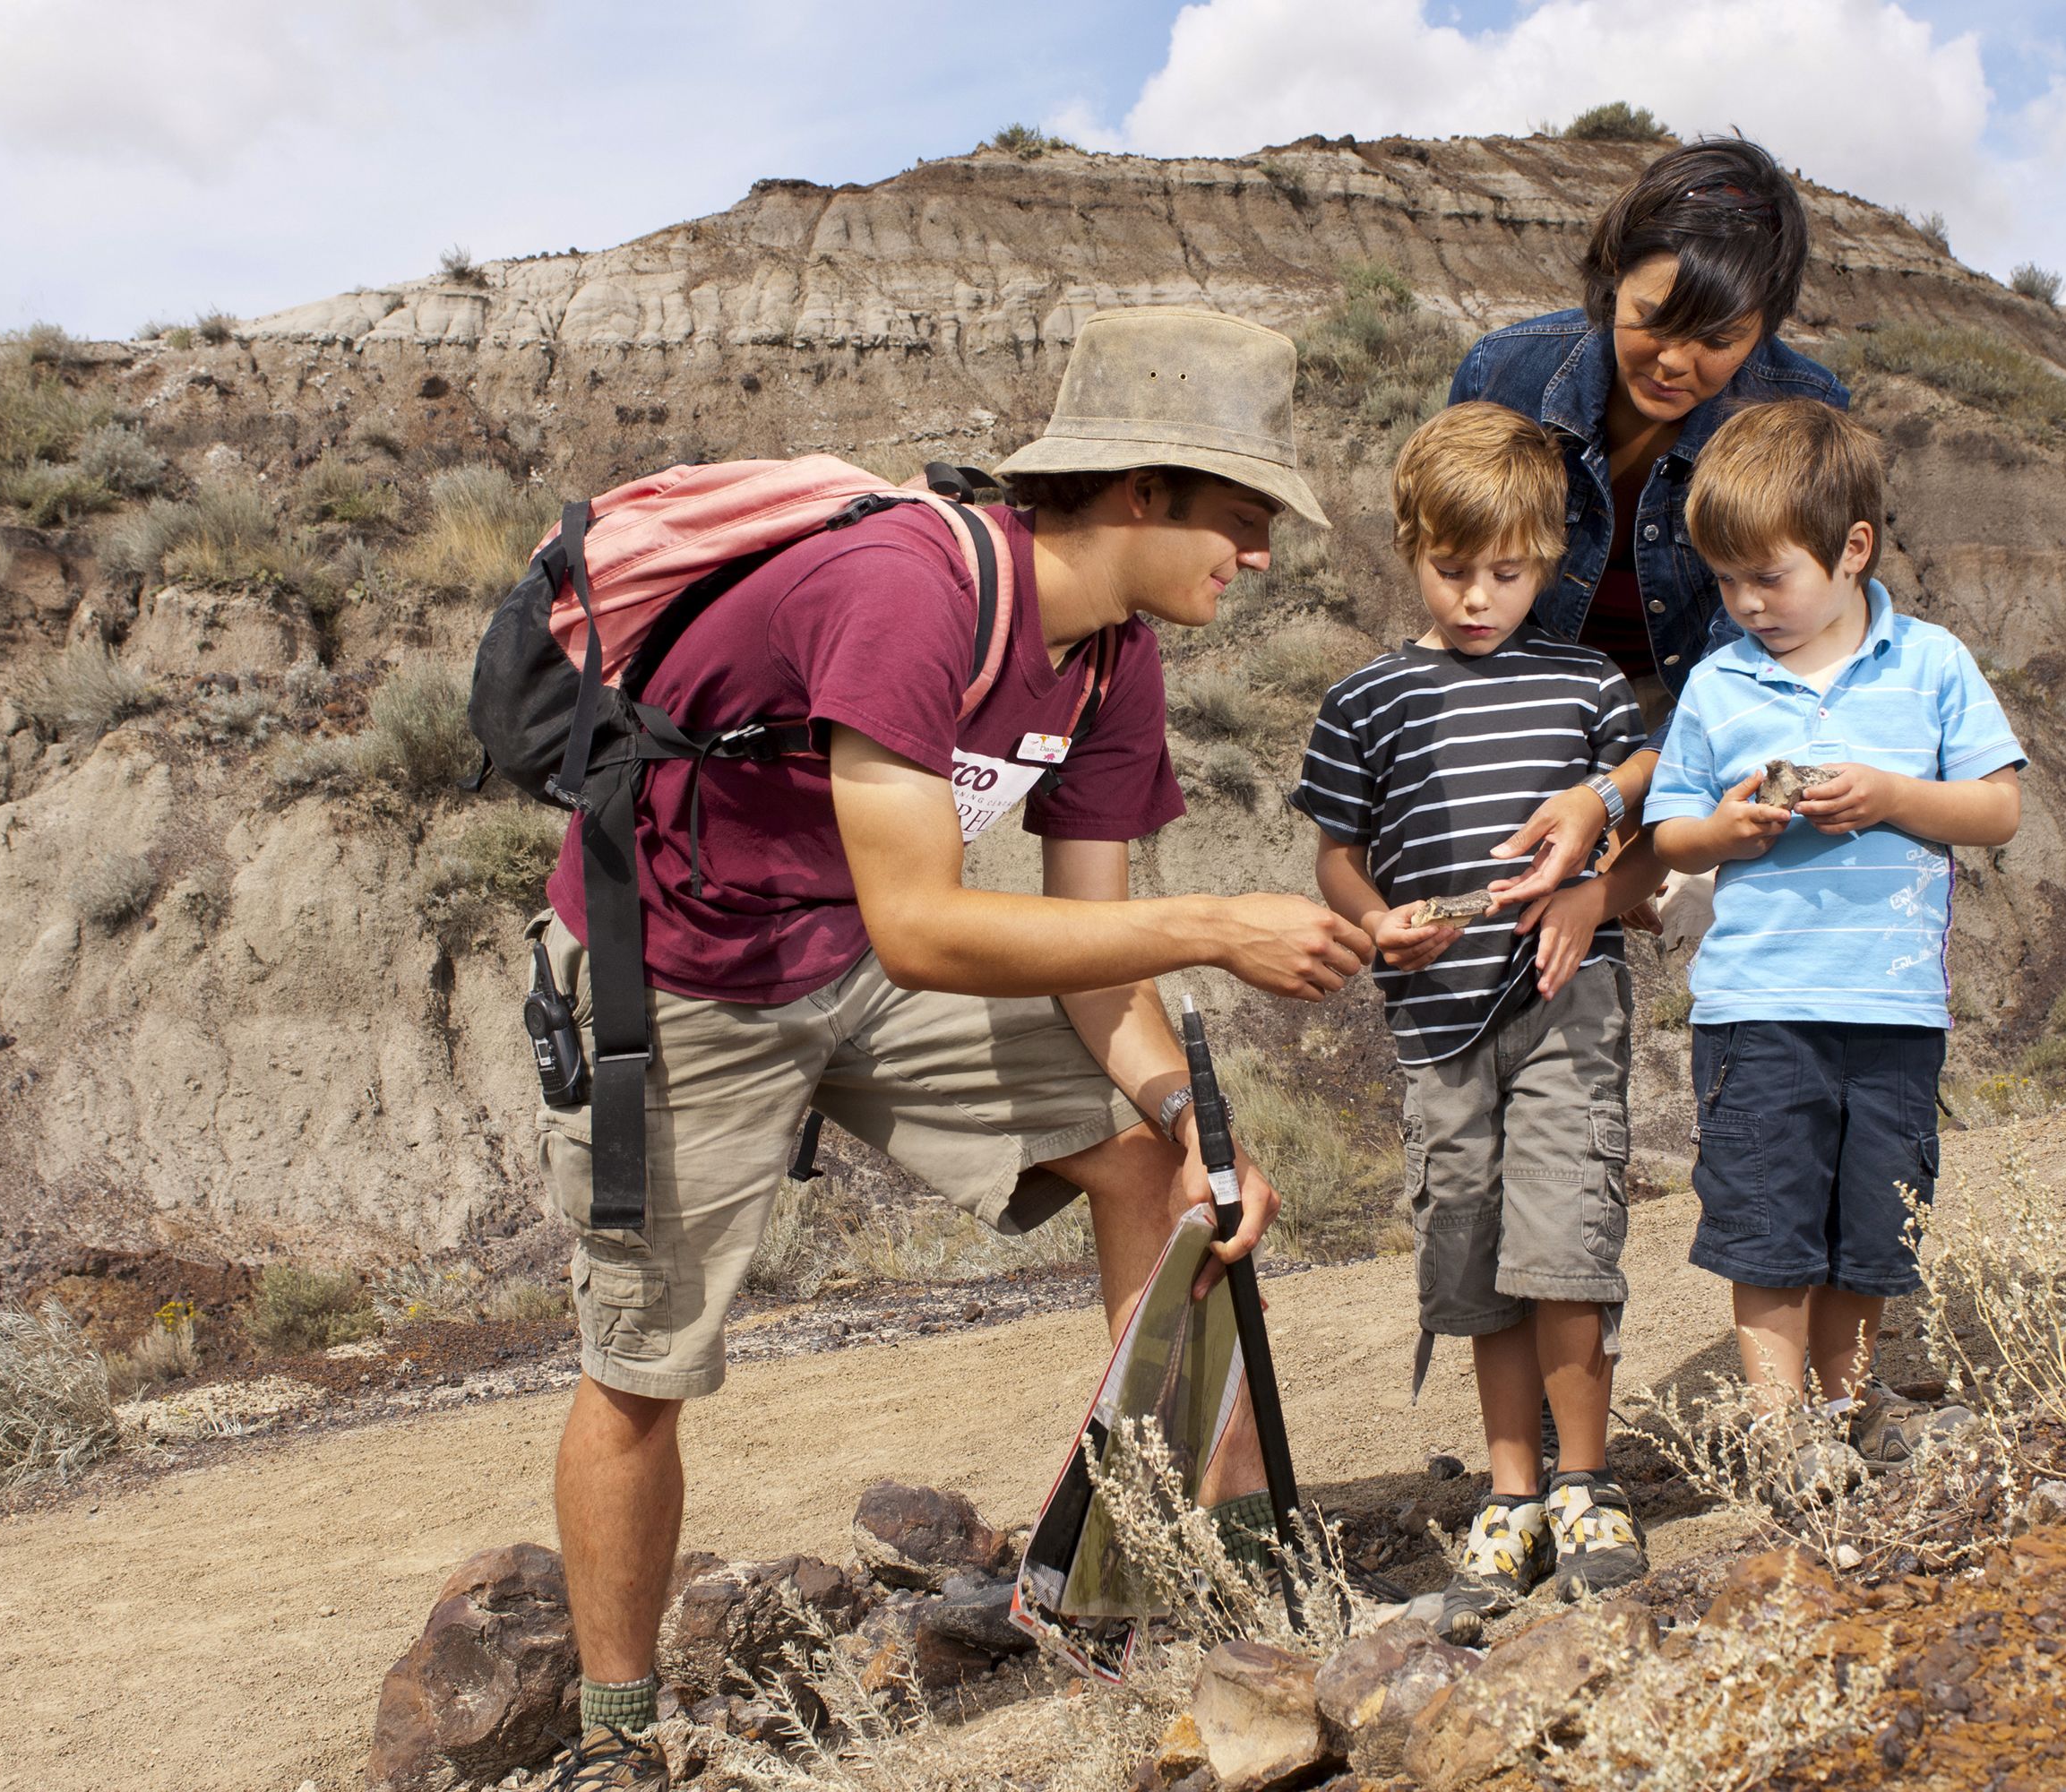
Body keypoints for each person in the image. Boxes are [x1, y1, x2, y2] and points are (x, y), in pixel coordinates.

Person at [529, 307, 1374, 1790]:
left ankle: (1204, 1584)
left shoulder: (1113, 663)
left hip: (850, 951)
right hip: (681, 973)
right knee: (644, 1362)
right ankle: (614, 1736)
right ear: (1138, 493)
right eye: (1242, 520)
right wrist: (1220, 923)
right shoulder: (904, 589)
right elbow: (928, 924)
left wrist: (1191, 1120)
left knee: (1155, 1173)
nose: (1257, 558)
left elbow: (1090, 960)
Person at [1288, 402, 1665, 1641]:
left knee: (1564, 1239)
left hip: (1566, 1006)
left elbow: (1645, 838)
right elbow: (1338, 859)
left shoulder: (1585, 687)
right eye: (1452, 571)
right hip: (1436, 1027)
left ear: (1548, 558)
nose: (1476, 597)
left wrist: (1595, 890)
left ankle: (1584, 1483)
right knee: (1474, 1257)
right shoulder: (1365, 702)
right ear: (1410, 546)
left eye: (1505, 572)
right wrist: (1378, 922)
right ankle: (1510, 1495)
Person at [1640, 400, 2024, 1430]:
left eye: (1769, 576)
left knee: (1872, 1228)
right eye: (1725, 580)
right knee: (1765, 1222)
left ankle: (1847, 1404)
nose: (1745, 604)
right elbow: (1668, 833)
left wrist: (1890, 795)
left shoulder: (1932, 661)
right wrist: (1722, 834)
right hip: (1756, 1005)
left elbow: (1997, 808)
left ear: (1852, 549)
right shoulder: (1718, 682)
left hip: (1894, 1007)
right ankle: (1779, 1429)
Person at [1445, 135, 1851, 921]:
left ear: (1763, 329)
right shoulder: (1505, 373)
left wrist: (1626, 797)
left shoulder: (1802, 414)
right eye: (1653, 319)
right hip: (1538, 680)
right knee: (1497, 889)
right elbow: (1458, 565)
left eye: (1718, 340)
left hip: (1710, 697)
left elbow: (1776, 655)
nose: (1673, 360)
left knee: (1691, 895)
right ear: (1612, 280)